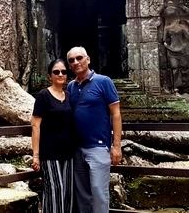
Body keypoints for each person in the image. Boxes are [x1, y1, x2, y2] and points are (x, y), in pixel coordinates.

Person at [66, 46, 122, 213]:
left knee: (99, 192)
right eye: (71, 60)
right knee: (82, 195)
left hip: (98, 147)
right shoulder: (71, 87)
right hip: (76, 149)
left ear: (88, 59)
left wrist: (117, 146)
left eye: (79, 58)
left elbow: (116, 114)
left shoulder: (104, 81)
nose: (76, 62)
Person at [31, 58, 75, 213]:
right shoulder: (43, 95)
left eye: (63, 71)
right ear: (50, 75)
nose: (60, 74)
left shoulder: (69, 96)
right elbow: (36, 125)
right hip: (50, 153)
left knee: (68, 193)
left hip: (69, 152)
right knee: (54, 191)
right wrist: (36, 155)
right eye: (56, 72)